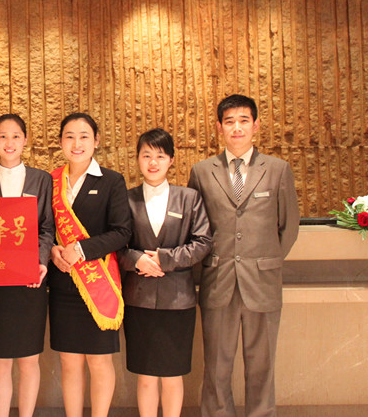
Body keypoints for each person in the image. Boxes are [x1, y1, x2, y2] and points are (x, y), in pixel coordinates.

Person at [188, 94, 300, 417]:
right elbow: (196, 228)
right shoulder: (202, 171)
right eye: (229, 122)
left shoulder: (277, 170)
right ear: (219, 127)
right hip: (217, 280)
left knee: (262, 365)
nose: (237, 128)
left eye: (243, 121)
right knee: (216, 366)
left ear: (256, 125)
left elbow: (289, 226)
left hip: (262, 282)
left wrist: (266, 260)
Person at [119, 129, 212, 417]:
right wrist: (137, 259)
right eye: (146, 155)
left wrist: (165, 259)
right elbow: (115, 245)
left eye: (160, 156)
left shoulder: (189, 198)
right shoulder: (126, 199)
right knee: (146, 376)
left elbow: (203, 242)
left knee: (173, 375)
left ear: (171, 160)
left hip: (178, 301)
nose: (153, 162)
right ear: (137, 159)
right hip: (139, 300)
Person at [49, 112, 132, 417]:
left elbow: (122, 232)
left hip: (100, 284)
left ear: (96, 141)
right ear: (60, 142)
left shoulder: (111, 181)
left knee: (99, 360)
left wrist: (81, 249)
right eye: (69, 136)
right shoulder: (50, 181)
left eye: (84, 136)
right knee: (69, 360)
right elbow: (43, 228)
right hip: (63, 284)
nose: (77, 143)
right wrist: (52, 251)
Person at [0, 114, 56, 417]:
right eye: (3, 136)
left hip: (29, 280)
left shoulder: (41, 179)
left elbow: (46, 228)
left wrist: (40, 261)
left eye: (16, 136)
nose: (9, 142)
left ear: (25, 140)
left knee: (29, 360)